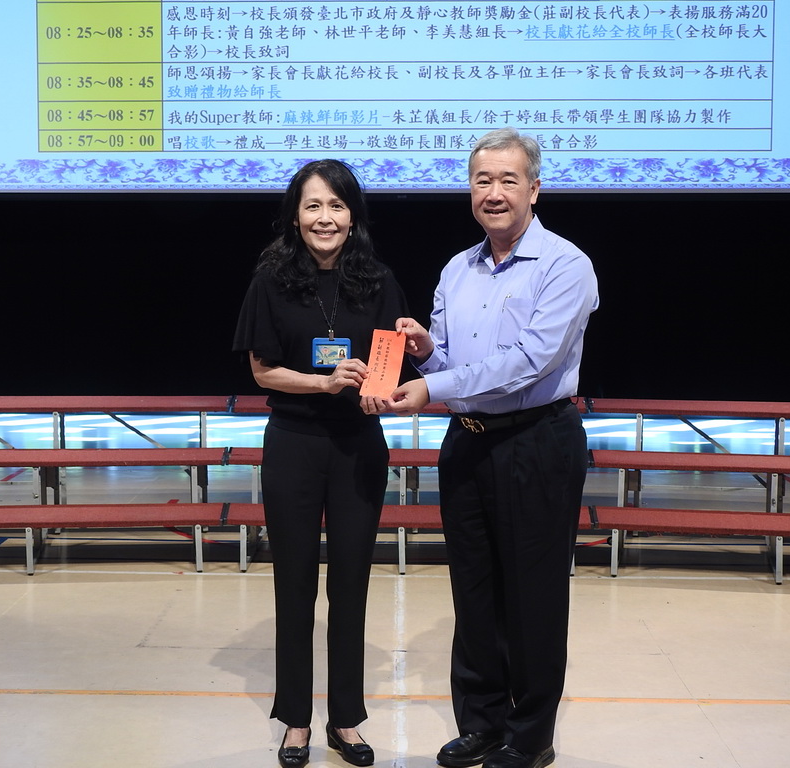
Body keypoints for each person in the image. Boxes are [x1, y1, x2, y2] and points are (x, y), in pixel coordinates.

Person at [388, 128, 599, 768]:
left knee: (533, 596)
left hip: (537, 442)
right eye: (483, 180)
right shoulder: (457, 268)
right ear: (470, 190)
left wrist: (433, 386)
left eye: (509, 180)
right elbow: (455, 363)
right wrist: (428, 352)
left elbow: (530, 363)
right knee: (473, 592)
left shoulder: (566, 265)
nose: (495, 192)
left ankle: (530, 737)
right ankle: (480, 722)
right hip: (468, 443)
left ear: (535, 189)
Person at [233, 159, 408, 768]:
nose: (325, 218)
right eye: (313, 206)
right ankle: (296, 719)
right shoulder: (271, 280)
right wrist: (323, 383)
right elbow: (262, 371)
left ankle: (346, 719)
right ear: (295, 216)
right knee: (295, 583)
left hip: (359, 445)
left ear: (352, 215)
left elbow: (390, 364)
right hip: (294, 443)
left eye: (336, 205)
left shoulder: (378, 280)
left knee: (351, 583)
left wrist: (378, 389)